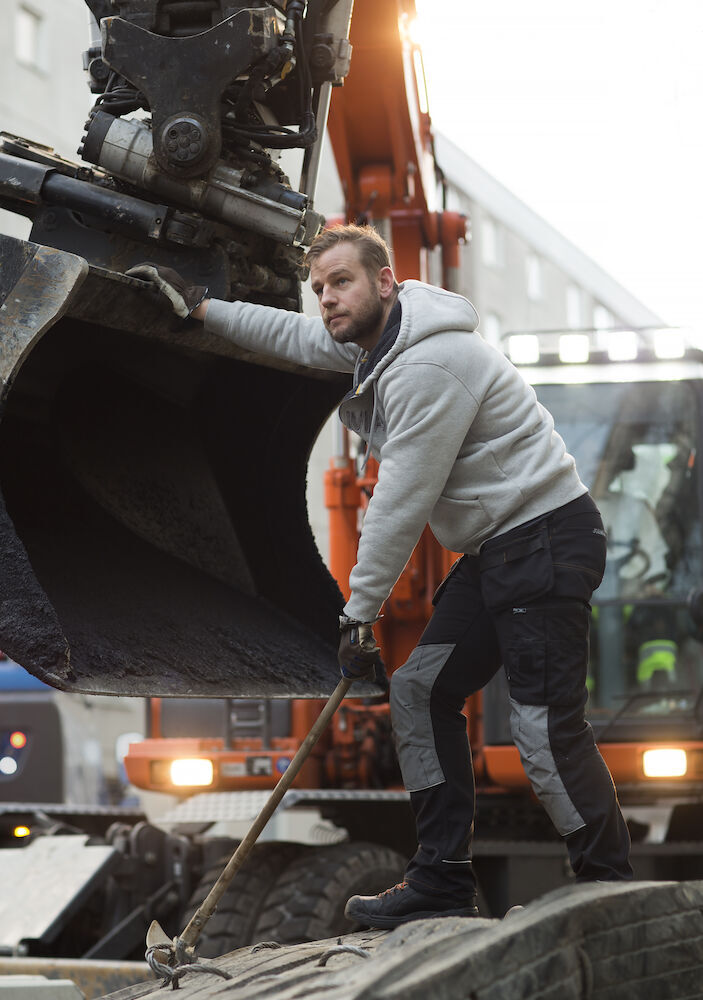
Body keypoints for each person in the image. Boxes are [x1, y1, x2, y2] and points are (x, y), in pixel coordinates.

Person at [127, 224, 633, 928]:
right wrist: (201, 309)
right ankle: (441, 880)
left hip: (542, 537)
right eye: (320, 289)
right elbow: (289, 337)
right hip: (496, 548)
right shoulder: (367, 344)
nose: (328, 300)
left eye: (342, 282)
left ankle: (608, 892)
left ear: (386, 283)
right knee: (421, 689)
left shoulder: (433, 365)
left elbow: (401, 497)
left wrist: (356, 612)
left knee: (541, 729)